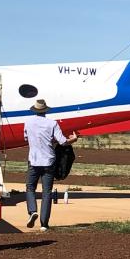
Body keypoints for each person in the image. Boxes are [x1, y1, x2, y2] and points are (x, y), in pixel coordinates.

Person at [22, 99, 78, 231]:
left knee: (30, 187)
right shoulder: (52, 124)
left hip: (34, 160)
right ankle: (44, 224)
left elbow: (25, 138)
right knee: (47, 192)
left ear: (34, 110)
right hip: (49, 160)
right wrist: (74, 139)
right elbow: (63, 142)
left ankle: (32, 211)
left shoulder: (28, 122)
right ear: (45, 110)